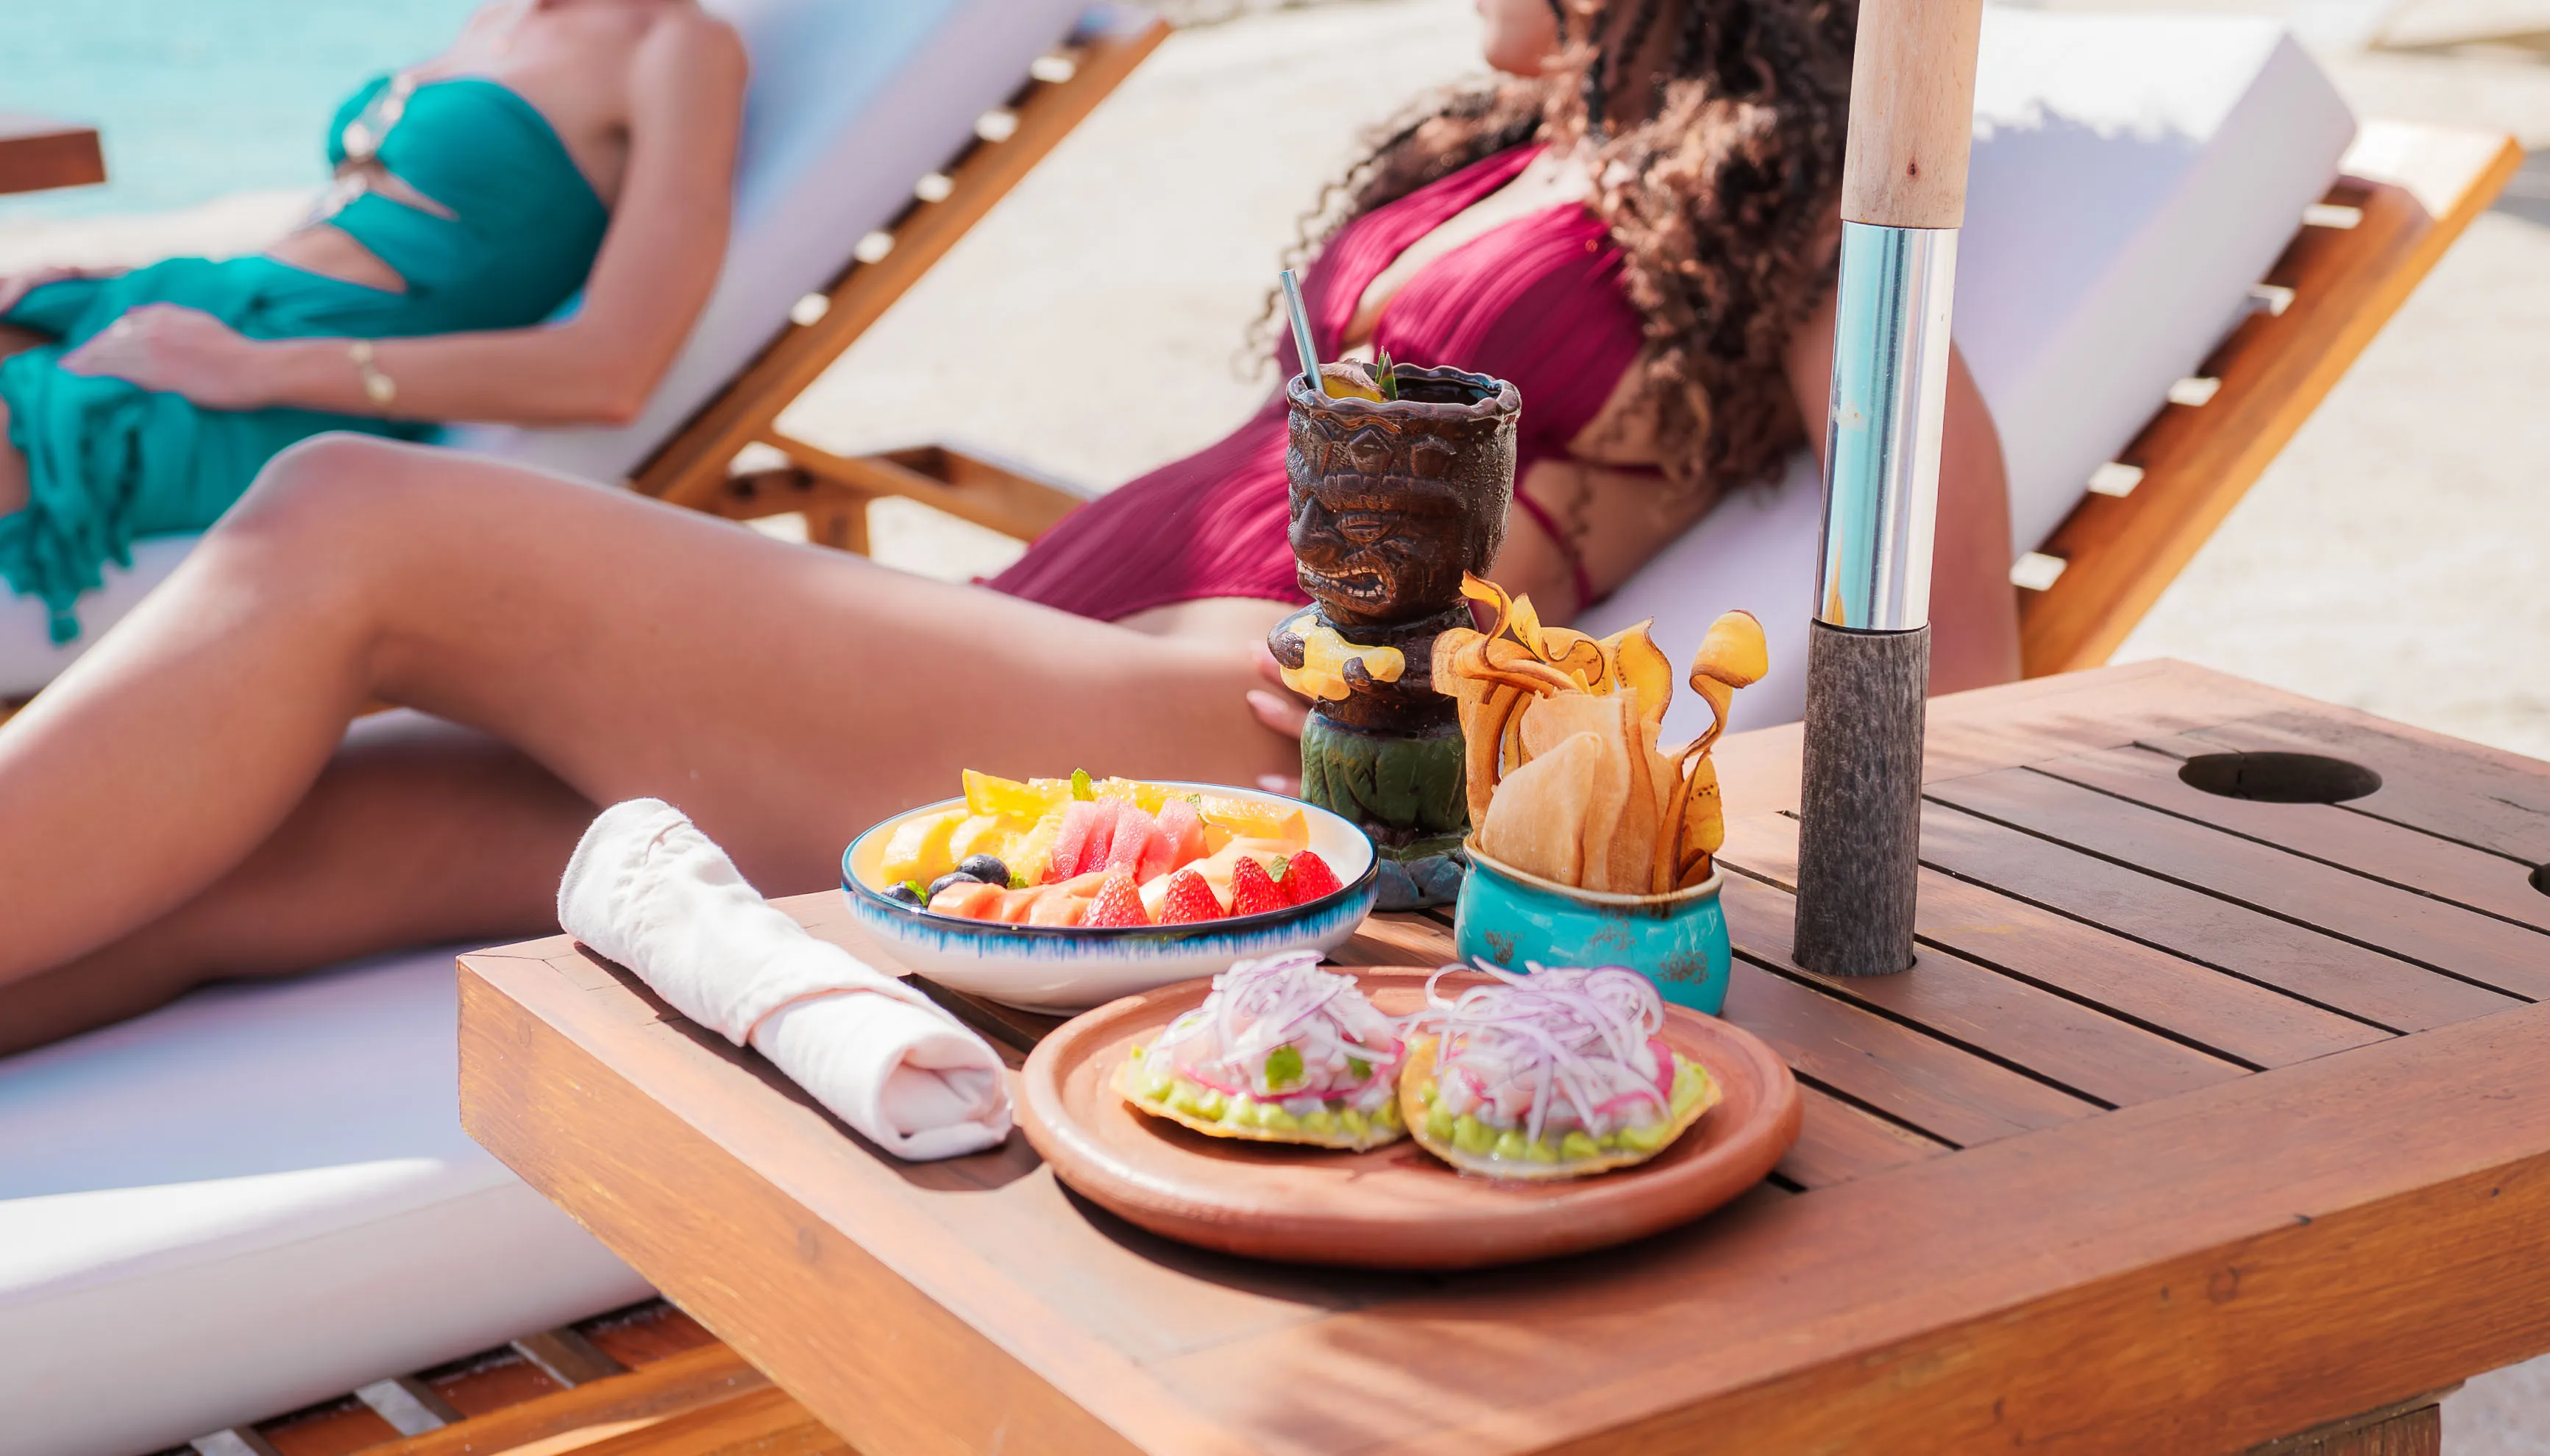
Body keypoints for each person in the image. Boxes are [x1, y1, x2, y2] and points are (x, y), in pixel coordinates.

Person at [0, 0, 2016, 1053]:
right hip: (1040, 654)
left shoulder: (1796, 235)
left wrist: (1566, 801)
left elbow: (1961, 677)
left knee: (355, 517)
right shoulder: (1527, 148)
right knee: (287, 845)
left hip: (1210, 734)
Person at [0, 0, 745, 645]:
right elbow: (363, 220)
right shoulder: (507, 14)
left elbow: (611, 370)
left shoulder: (677, 47)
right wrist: (120, 285)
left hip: (297, 381)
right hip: (226, 302)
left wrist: (249, 369)